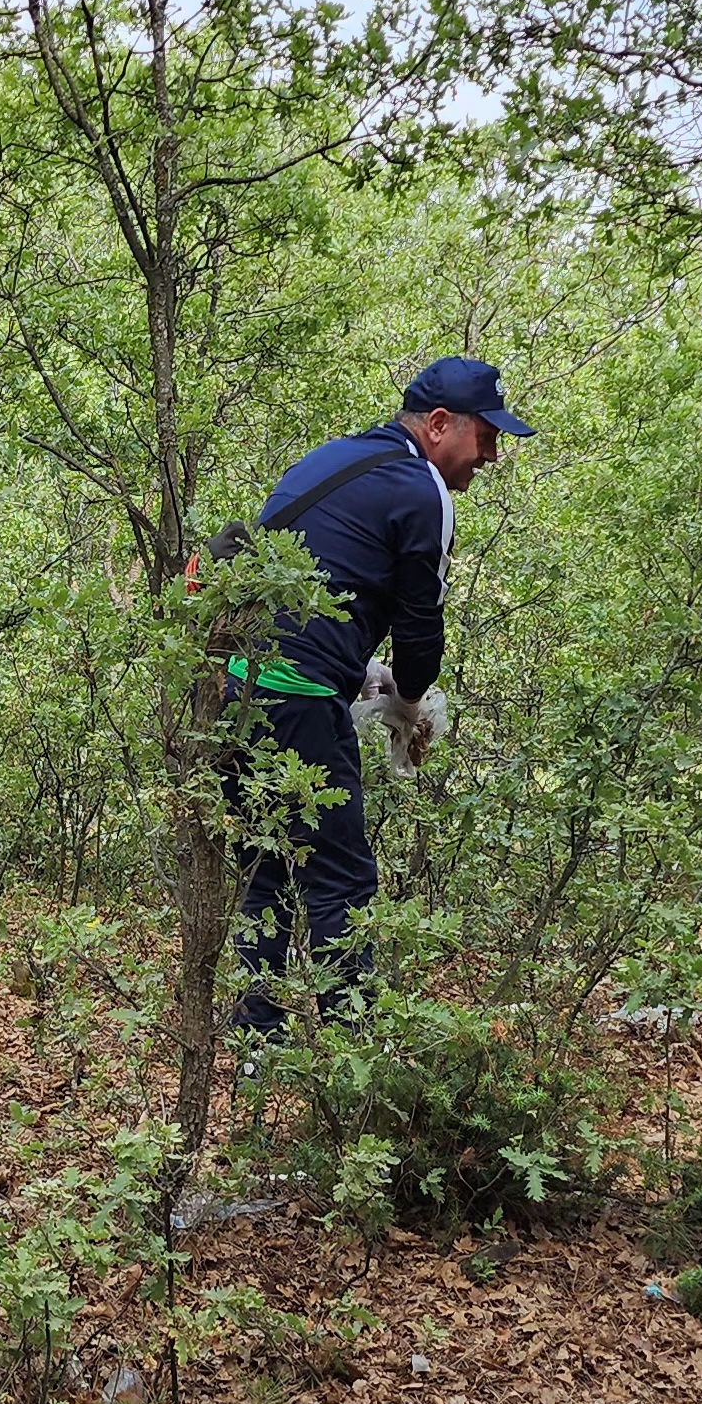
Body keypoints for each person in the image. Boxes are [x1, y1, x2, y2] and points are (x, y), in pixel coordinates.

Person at [226, 354, 529, 1034]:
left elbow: (312, 591)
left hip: (238, 691)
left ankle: (257, 1044)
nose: (491, 455)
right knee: (343, 880)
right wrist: (410, 700)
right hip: (300, 699)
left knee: (265, 871)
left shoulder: (326, 460)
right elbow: (420, 630)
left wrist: (361, 674)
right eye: (486, 435)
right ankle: (345, 1060)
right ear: (441, 424)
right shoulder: (424, 491)